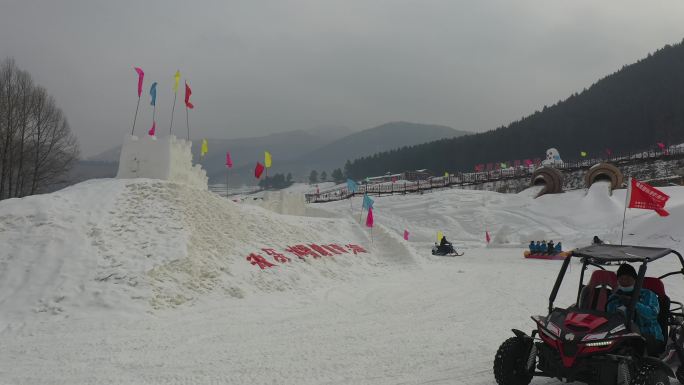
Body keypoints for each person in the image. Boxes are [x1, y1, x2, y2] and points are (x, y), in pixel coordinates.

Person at [607, 264, 664, 355]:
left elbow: (652, 314)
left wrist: (634, 304)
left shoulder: (647, 294)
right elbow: (609, 316)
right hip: (621, 335)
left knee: (631, 349)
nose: (625, 281)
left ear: (635, 280)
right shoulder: (614, 297)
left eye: (628, 278)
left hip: (649, 336)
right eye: (621, 279)